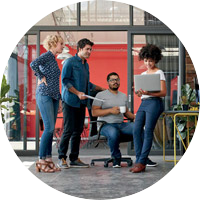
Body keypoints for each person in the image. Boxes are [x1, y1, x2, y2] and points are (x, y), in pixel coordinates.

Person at [92, 72, 157, 168]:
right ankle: (116, 158)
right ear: (108, 82)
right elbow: (94, 112)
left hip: (121, 124)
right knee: (113, 132)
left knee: (138, 128)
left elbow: (126, 113)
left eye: (117, 80)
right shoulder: (100, 95)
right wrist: (110, 110)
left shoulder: (123, 96)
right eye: (112, 80)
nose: (115, 82)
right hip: (105, 125)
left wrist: (137, 117)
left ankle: (143, 158)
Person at [57, 38, 105, 168]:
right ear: (80, 49)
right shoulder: (69, 62)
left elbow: (86, 84)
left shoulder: (86, 64)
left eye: (91, 49)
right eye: (87, 49)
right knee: (68, 130)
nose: (89, 52)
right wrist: (77, 93)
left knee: (78, 130)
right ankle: (61, 158)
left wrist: (99, 88)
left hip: (81, 104)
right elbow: (65, 81)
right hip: (70, 101)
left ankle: (74, 158)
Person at [129, 44, 167, 173]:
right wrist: (139, 93)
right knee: (136, 129)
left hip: (155, 102)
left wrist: (149, 93)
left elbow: (163, 92)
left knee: (148, 130)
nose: (148, 63)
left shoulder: (159, 72)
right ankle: (140, 159)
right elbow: (141, 94)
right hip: (144, 102)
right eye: (146, 60)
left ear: (155, 59)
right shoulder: (143, 74)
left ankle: (141, 162)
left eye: (150, 60)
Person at [30, 35, 64, 173]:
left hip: (54, 96)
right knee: (49, 128)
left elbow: (56, 82)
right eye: (61, 43)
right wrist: (40, 77)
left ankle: (48, 159)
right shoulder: (47, 56)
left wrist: (60, 99)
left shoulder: (54, 60)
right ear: (54, 43)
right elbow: (33, 64)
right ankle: (41, 160)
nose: (63, 46)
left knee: (50, 129)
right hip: (44, 94)